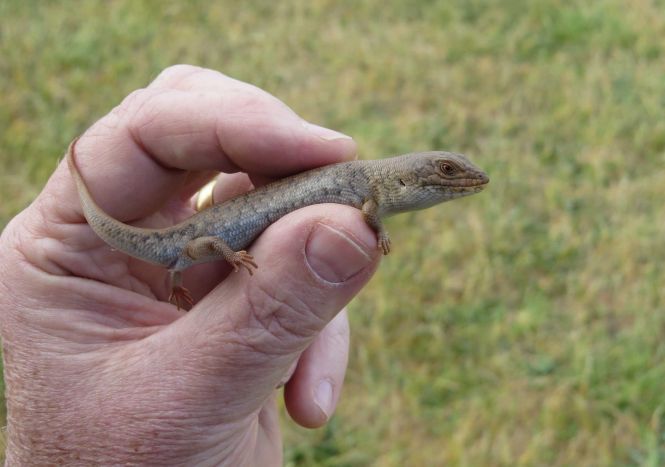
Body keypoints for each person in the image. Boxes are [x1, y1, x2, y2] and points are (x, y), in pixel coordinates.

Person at [0, 65, 381, 465]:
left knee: (191, 251)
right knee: (200, 247)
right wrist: (232, 257)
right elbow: (202, 246)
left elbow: (189, 252)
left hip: (184, 250)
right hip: (192, 243)